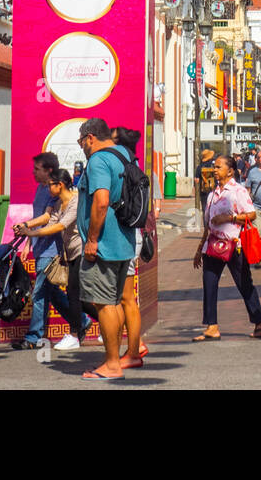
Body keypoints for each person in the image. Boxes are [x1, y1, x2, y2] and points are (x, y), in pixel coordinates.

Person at [75, 118, 137, 380]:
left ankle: (111, 364)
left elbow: (101, 202)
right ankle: (117, 358)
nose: (81, 147)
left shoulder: (99, 160)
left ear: (91, 138)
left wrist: (91, 239)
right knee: (116, 302)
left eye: (81, 142)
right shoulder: (125, 155)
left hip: (104, 244)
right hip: (124, 241)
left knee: (104, 304)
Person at [192, 156, 261, 341]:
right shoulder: (212, 194)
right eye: (214, 167)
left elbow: (251, 214)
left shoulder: (237, 191)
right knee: (209, 283)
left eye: (218, 167)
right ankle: (212, 326)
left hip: (235, 245)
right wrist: (200, 248)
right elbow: (208, 223)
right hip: (213, 245)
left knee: (244, 284)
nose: (215, 170)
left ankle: (259, 321)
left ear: (230, 170)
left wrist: (229, 218)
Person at [13, 168, 87, 351]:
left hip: (80, 252)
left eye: (51, 185)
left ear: (60, 185)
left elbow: (59, 226)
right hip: (68, 254)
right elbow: (51, 221)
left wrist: (31, 232)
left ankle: (66, 333)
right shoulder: (58, 204)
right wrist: (27, 230)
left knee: (54, 293)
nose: (47, 188)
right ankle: (81, 323)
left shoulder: (75, 202)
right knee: (60, 293)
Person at [112, 126, 150, 368]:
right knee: (123, 299)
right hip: (131, 236)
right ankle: (130, 351)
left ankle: (131, 352)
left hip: (123, 238)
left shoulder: (120, 168)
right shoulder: (133, 165)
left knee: (123, 299)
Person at [195, 149, 218, 218]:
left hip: (204, 190)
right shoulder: (214, 165)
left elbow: (197, 180)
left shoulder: (199, 167)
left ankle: (206, 226)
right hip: (214, 189)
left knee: (205, 209)